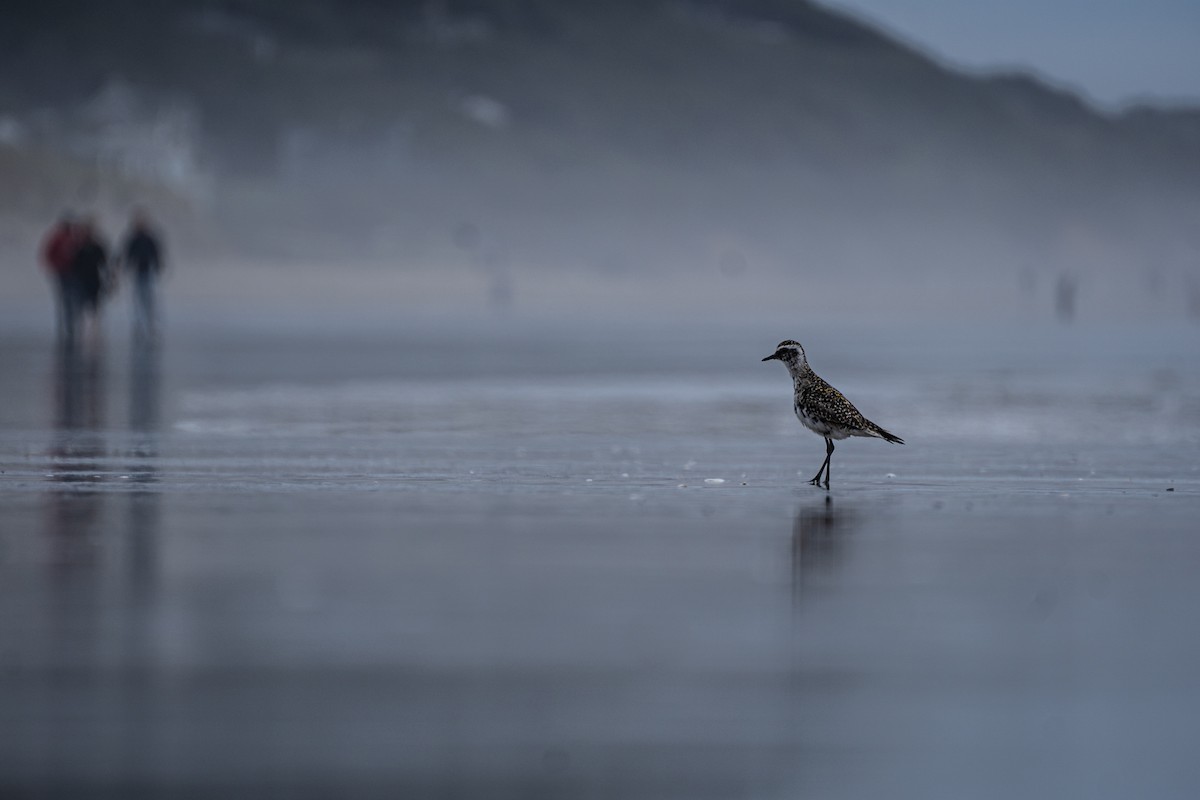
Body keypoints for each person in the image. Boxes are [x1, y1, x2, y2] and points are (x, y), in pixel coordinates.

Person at [120, 210, 165, 339]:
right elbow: (127, 253)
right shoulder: (133, 238)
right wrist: (125, 267)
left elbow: (157, 253)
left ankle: (151, 325)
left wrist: (158, 266)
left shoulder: (150, 238)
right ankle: (139, 325)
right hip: (137, 273)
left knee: (149, 300)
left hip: (148, 272)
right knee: (138, 301)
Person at [39, 213, 82, 341]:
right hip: (62, 273)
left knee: (73, 299)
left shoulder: (76, 238)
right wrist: (54, 267)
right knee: (65, 299)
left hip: (74, 274)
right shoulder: (58, 238)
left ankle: (72, 323)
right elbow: (48, 254)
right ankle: (67, 324)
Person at [70, 218, 110, 342]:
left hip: (94, 278)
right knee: (81, 304)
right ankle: (82, 327)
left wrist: (110, 277)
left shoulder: (97, 246)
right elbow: (74, 263)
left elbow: (104, 262)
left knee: (95, 303)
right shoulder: (79, 246)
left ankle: (94, 326)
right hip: (82, 279)